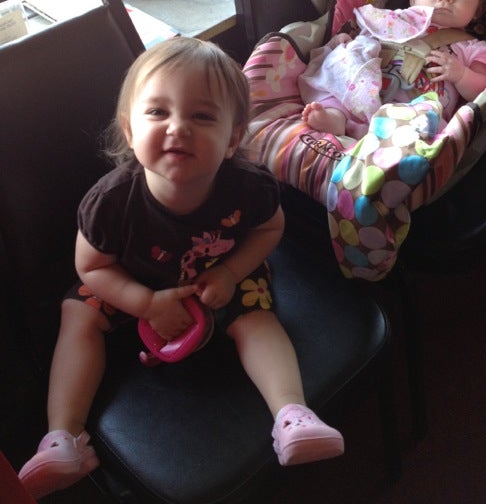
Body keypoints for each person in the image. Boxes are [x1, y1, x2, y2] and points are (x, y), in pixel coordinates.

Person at [18, 37, 344, 499]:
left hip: (220, 274)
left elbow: (271, 229)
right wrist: (145, 303)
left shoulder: (249, 187)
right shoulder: (109, 202)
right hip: (131, 279)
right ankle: (63, 437)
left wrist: (231, 273)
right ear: (130, 129)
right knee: (78, 314)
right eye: (157, 112)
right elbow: (91, 267)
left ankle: (292, 414)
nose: (178, 128)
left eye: (203, 116)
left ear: (233, 139)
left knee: (256, 316)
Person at [300, 0, 486, 139]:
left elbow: (484, 90)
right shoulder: (394, 20)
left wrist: (462, 75)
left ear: (478, 9)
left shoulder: (473, 47)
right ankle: (337, 116)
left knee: (429, 120)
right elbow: (368, 41)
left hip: (414, 112)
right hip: (365, 91)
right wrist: (348, 43)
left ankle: (370, 134)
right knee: (343, 62)